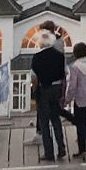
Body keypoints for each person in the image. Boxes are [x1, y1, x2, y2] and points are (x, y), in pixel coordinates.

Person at [30, 27, 68, 161]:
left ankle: (49, 152)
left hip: (44, 89)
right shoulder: (59, 56)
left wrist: (35, 92)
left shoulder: (37, 57)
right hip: (56, 88)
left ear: (40, 42)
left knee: (44, 122)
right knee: (56, 119)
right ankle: (61, 148)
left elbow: (34, 77)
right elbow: (65, 73)